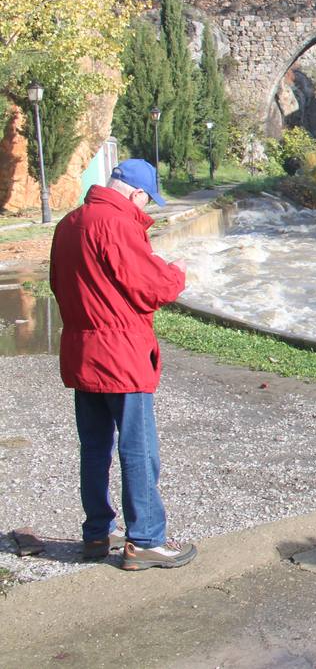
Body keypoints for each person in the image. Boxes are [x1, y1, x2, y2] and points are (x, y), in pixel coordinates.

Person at [49, 158, 196, 570]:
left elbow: (58, 285)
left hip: (83, 351)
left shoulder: (68, 224)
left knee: (95, 448)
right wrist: (176, 272)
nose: (145, 211)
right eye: (146, 201)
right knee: (138, 448)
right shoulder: (116, 224)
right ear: (135, 193)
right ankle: (145, 539)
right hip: (122, 356)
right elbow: (150, 287)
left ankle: (97, 533)